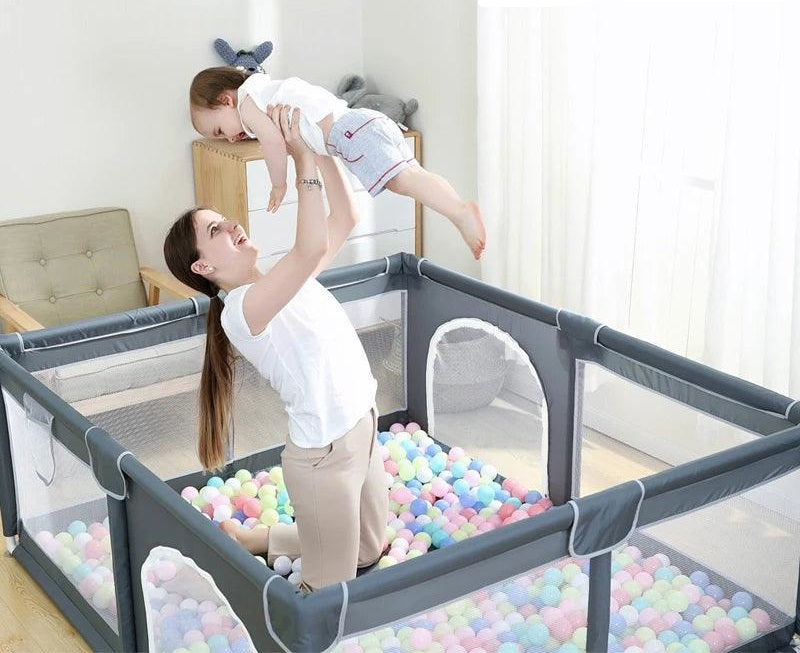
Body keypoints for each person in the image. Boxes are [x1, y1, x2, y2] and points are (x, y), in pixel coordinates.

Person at [164, 105, 388, 592]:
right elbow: (308, 249)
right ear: (202, 268)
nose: (230, 225)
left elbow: (346, 215)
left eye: (224, 219)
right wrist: (301, 160)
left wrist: (324, 141)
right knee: (325, 599)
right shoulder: (241, 310)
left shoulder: (284, 279)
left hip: (363, 426)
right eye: (214, 231)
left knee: (372, 550)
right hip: (324, 457)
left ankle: (259, 538)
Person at [189, 66, 486, 260]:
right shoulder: (265, 89)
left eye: (218, 130)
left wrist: (279, 184)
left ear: (225, 100)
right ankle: (459, 207)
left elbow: (271, 140)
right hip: (363, 121)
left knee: (403, 181)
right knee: (414, 175)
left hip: (350, 133)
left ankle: (459, 213)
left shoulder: (247, 102)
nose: (227, 140)